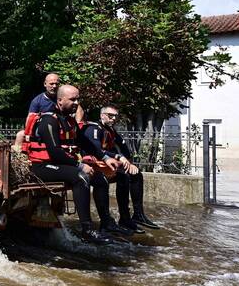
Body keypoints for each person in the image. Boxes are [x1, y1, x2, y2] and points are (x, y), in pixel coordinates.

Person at [25, 85, 130, 244]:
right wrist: (79, 164)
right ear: (60, 100)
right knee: (81, 177)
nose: (76, 103)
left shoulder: (69, 120)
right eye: (72, 99)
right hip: (42, 167)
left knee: (100, 179)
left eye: (78, 99)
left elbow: (86, 144)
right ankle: (87, 230)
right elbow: (54, 152)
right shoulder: (48, 120)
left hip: (61, 165)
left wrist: (107, 157)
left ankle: (106, 223)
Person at [79, 105, 160, 233]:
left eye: (116, 116)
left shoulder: (110, 130)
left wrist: (128, 162)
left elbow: (123, 146)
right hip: (94, 166)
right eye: (110, 116)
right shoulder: (94, 128)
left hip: (108, 165)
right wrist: (118, 157)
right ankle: (106, 222)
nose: (114, 119)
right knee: (115, 178)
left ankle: (134, 216)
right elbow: (96, 149)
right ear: (102, 115)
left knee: (135, 174)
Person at [15, 73, 83, 147]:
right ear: (45, 84)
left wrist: (78, 124)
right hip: (45, 128)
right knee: (20, 135)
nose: (54, 86)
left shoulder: (65, 96)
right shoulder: (37, 101)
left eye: (57, 84)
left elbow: (79, 109)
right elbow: (30, 118)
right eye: (51, 84)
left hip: (64, 126)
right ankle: (19, 156)